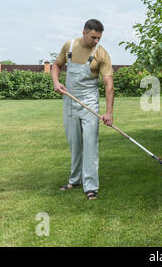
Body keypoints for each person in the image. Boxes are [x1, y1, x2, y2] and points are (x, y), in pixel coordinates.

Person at [51, 19, 115, 200]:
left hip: (89, 103)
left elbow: (109, 84)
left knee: (90, 143)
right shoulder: (69, 46)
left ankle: (91, 186)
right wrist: (56, 82)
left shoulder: (101, 54)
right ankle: (75, 179)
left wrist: (109, 112)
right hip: (70, 101)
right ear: (84, 32)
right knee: (74, 143)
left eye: (99, 38)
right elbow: (56, 65)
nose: (97, 41)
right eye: (94, 37)